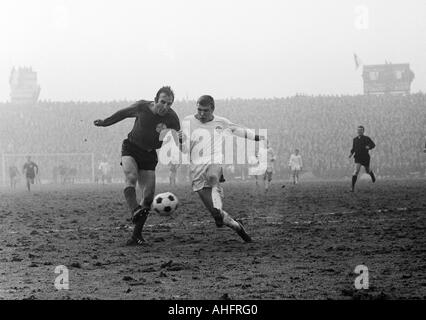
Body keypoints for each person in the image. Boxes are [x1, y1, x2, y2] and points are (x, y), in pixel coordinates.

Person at [94, 86, 181, 246]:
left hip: (149, 154)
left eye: (169, 104)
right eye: (163, 102)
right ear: (155, 100)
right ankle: (134, 209)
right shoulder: (142, 107)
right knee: (131, 177)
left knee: (148, 197)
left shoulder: (172, 118)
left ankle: (136, 236)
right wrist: (105, 122)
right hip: (131, 148)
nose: (165, 107)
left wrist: (181, 142)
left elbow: (178, 138)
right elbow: (123, 113)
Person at [181, 95, 266, 243]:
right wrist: (180, 140)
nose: (201, 114)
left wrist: (257, 137)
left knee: (213, 177)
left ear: (212, 109)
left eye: (205, 111)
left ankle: (217, 186)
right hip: (196, 169)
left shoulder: (221, 122)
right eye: (199, 110)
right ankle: (238, 227)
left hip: (214, 160)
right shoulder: (187, 121)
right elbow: (184, 150)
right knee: (217, 214)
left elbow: (238, 130)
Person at [349, 125, 376, 192]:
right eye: (358, 130)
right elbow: (354, 148)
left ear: (363, 131)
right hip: (358, 157)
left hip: (365, 157)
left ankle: (371, 173)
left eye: (360, 130)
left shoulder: (366, 138)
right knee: (356, 171)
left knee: (367, 170)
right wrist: (351, 153)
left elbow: (373, 144)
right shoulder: (355, 139)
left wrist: (369, 147)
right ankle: (352, 188)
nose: (359, 131)